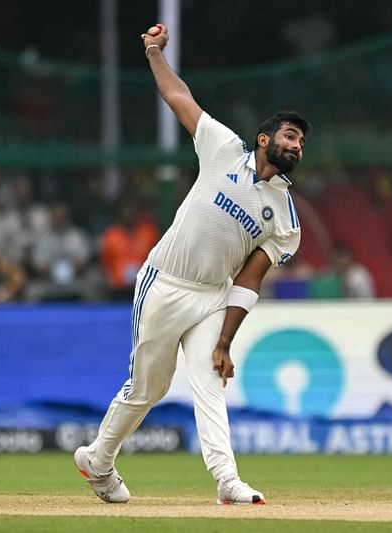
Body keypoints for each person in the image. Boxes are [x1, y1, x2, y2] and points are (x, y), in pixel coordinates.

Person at [73, 24, 309, 505]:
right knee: (148, 389)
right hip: (165, 283)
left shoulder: (285, 217)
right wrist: (154, 51)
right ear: (263, 139)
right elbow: (178, 95)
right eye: (290, 135)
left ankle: (227, 482)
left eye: (302, 142)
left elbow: (250, 279)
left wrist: (225, 340)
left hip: (212, 296)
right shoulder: (224, 148)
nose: (297, 145)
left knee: (209, 383)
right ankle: (98, 462)